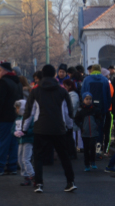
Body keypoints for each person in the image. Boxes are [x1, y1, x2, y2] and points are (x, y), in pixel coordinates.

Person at [23, 65, 76, 194]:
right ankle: (70, 182)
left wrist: (24, 128)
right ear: (54, 75)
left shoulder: (35, 91)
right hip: (58, 128)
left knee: (38, 157)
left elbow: (29, 112)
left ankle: (39, 183)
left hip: (40, 127)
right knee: (64, 156)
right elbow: (68, 111)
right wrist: (69, 126)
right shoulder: (62, 91)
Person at [0, 62, 22, 176]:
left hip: (3, 117)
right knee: (13, 143)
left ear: (5, 71)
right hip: (15, 117)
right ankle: (12, 166)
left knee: (1, 142)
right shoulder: (17, 82)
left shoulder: (2, 82)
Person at [74, 92, 103, 171]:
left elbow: (100, 118)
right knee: (86, 149)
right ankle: (87, 164)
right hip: (85, 132)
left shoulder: (95, 109)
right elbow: (76, 119)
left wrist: (96, 124)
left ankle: (93, 162)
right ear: (83, 100)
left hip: (93, 132)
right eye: (87, 99)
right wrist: (81, 126)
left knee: (92, 146)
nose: (89, 101)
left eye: (90, 99)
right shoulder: (81, 110)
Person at [13, 99, 35, 186]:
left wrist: (25, 132)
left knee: (26, 159)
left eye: (18, 108)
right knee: (20, 159)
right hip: (21, 141)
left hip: (28, 140)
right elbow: (12, 129)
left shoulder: (30, 117)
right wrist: (15, 133)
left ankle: (33, 176)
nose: (17, 110)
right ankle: (26, 177)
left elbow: (33, 129)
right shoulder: (18, 118)